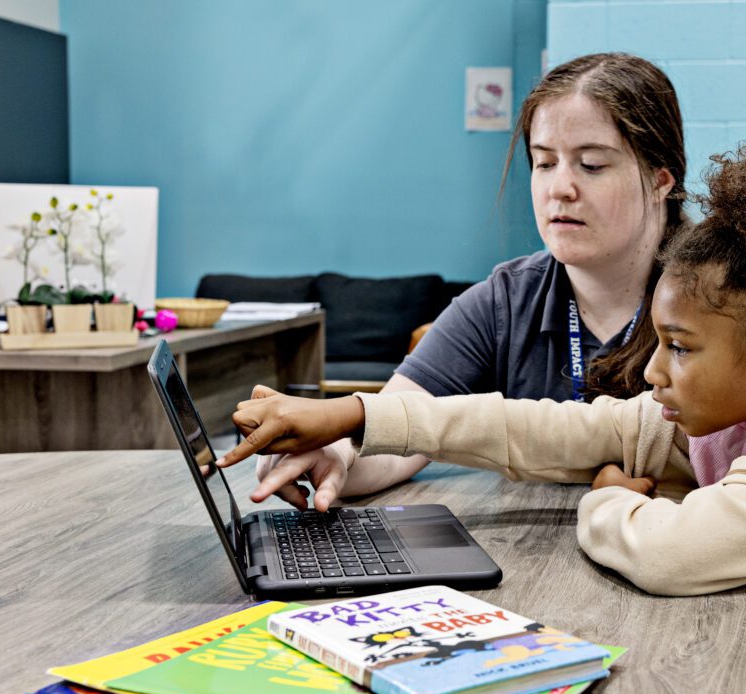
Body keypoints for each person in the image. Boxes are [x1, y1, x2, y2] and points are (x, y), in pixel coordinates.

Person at [219, 132, 746, 694]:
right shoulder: (738, 416)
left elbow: (673, 552)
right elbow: (545, 429)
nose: (650, 373)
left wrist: (607, 499)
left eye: (679, 348)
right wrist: (357, 415)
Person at [252, 52, 688, 511]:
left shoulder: (718, 296)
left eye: (592, 165)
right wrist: (335, 454)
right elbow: (403, 425)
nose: (559, 188)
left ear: (660, 179)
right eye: (544, 163)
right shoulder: (502, 301)